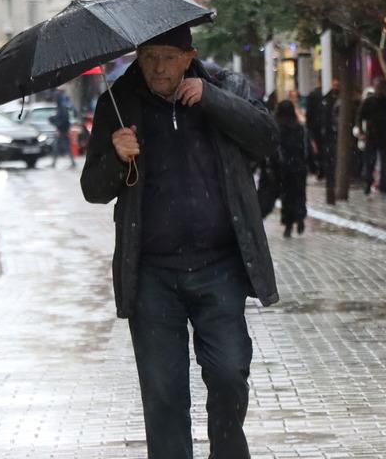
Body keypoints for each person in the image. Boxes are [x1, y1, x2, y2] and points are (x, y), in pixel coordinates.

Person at [80, 24, 279, 459]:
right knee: (163, 393)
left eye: (168, 57)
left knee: (229, 372)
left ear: (189, 56)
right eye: (148, 56)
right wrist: (115, 155)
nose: (157, 68)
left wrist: (213, 101)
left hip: (219, 266)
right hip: (151, 273)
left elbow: (266, 138)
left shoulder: (226, 87)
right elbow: (93, 188)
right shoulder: (118, 103)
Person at [275, 100, 308, 237]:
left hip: (285, 167)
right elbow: (304, 148)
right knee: (299, 193)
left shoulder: (278, 127)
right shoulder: (299, 127)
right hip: (299, 166)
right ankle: (300, 217)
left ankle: (288, 223)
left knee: (287, 196)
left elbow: (277, 148)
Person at [358, 77, 386, 195]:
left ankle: (384, 185)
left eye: (381, 87)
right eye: (377, 87)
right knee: (370, 162)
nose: (379, 90)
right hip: (372, 135)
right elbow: (359, 117)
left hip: (385, 135)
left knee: (385, 162)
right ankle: (368, 183)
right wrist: (361, 133)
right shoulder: (368, 101)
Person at [50, 91, 76, 168]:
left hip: (63, 131)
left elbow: (63, 120)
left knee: (61, 146)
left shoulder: (62, 108)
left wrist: (56, 123)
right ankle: (54, 163)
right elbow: (59, 118)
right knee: (58, 146)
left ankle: (72, 162)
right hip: (62, 131)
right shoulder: (60, 108)